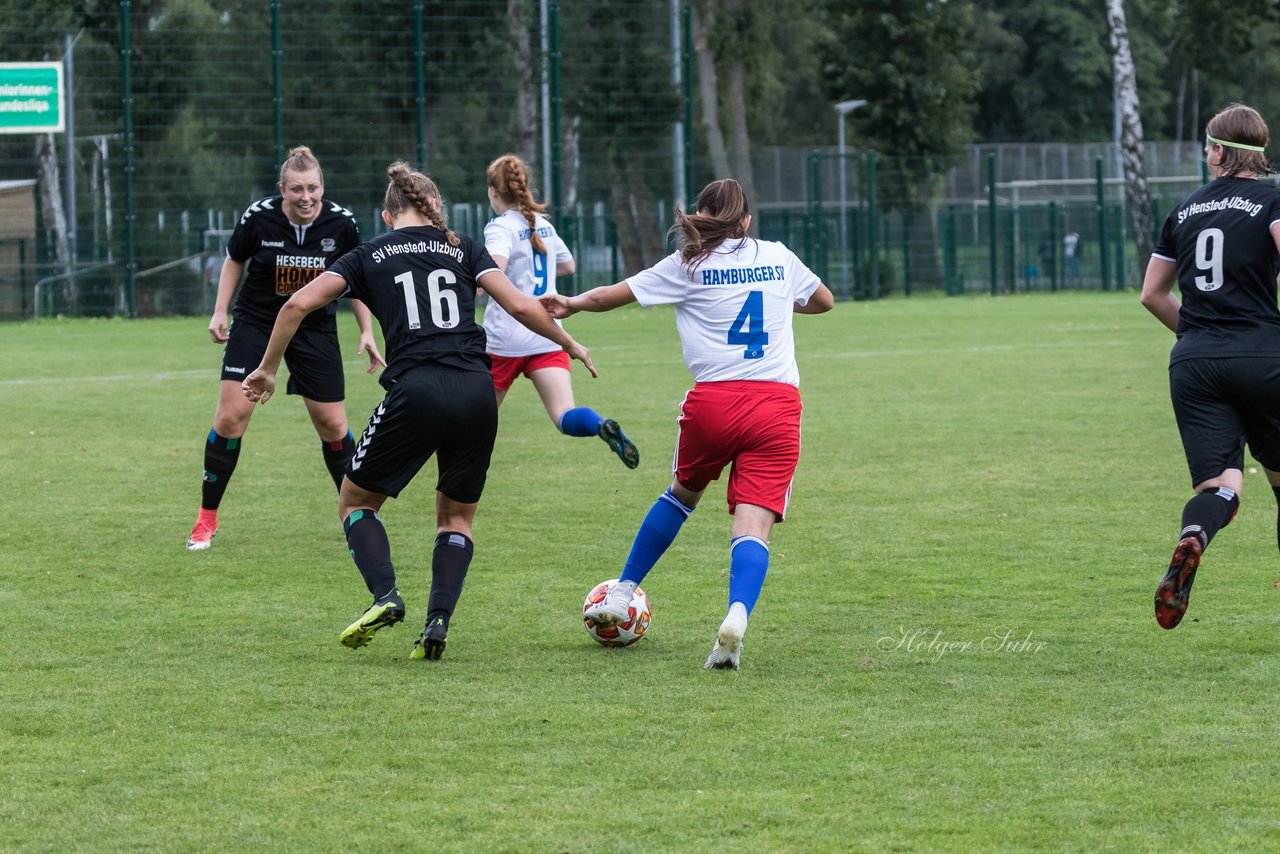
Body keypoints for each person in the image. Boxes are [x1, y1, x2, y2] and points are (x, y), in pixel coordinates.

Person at [242, 161, 596, 660]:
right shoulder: (464, 247)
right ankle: (437, 625)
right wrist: (570, 342)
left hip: (418, 390)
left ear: (389, 215)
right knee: (456, 519)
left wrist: (267, 368)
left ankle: (385, 596)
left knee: (355, 502)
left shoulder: (367, 254)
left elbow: (295, 306)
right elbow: (520, 306)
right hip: (477, 389)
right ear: (435, 210)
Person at [542, 178, 834, 670]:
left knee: (681, 496)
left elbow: (612, 295)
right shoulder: (780, 256)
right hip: (777, 405)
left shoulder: (687, 264)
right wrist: (785, 302)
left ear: (702, 217)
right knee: (754, 524)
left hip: (714, 403)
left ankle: (625, 588)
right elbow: (824, 300)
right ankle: (737, 614)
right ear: (746, 220)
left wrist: (570, 303)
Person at [186, 145, 384, 551]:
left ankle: (357, 520)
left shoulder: (341, 224)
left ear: (323, 188)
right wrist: (220, 310)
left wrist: (366, 330)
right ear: (282, 190)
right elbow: (233, 260)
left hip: (315, 330)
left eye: (312, 188)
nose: (306, 197)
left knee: (332, 425)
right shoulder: (258, 217)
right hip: (257, 325)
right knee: (230, 419)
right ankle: (206, 519)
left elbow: (356, 280)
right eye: (296, 190)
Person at [1140, 102, 1280, 629]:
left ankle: (1195, 537)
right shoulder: (1272, 200)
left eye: (1207, 146)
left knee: (1221, 485)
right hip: (1263, 355)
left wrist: (1200, 335)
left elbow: (1153, 294)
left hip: (1194, 362)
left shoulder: (1183, 210)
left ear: (1221, 150)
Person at [483, 154, 638, 468]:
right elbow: (569, 265)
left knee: (478, 421)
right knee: (564, 415)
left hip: (505, 341)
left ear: (494, 192)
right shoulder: (543, 225)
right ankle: (598, 424)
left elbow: (493, 271)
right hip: (549, 336)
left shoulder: (499, 228)